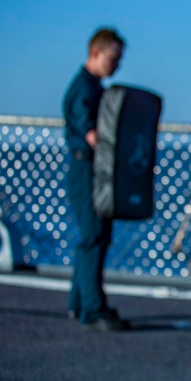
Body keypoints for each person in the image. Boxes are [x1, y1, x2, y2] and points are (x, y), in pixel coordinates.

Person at [62, 27, 130, 331]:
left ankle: (80, 304)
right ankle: (92, 308)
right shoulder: (84, 90)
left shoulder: (93, 87)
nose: (116, 65)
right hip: (86, 170)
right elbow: (92, 134)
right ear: (96, 53)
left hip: (92, 170)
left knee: (95, 236)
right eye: (113, 58)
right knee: (93, 236)